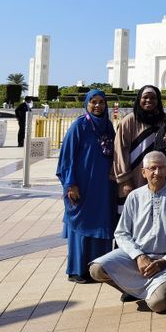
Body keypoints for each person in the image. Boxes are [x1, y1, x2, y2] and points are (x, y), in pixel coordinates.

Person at [89, 152, 166, 312]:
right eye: (152, 168)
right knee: (97, 269)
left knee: (158, 304)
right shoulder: (134, 196)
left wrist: (164, 260)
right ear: (143, 172)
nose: (157, 172)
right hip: (136, 259)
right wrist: (139, 256)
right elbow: (121, 233)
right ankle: (134, 290)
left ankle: (165, 288)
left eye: (161, 167)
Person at [55, 89, 117, 283]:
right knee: (81, 225)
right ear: (87, 104)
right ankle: (77, 270)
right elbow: (67, 157)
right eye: (93, 102)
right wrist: (70, 184)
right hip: (82, 185)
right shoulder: (79, 125)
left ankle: (99, 268)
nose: (97, 106)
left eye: (101, 102)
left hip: (104, 187)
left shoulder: (107, 126)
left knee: (101, 224)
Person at [113, 85, 166, 207]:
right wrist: (125, 180)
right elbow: (120, 151)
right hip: (133, 178)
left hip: (158, 177)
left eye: (153, 98)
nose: (149, 100)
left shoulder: (164, 120)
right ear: (139, 100)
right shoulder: (130, 120)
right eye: (145, 97)